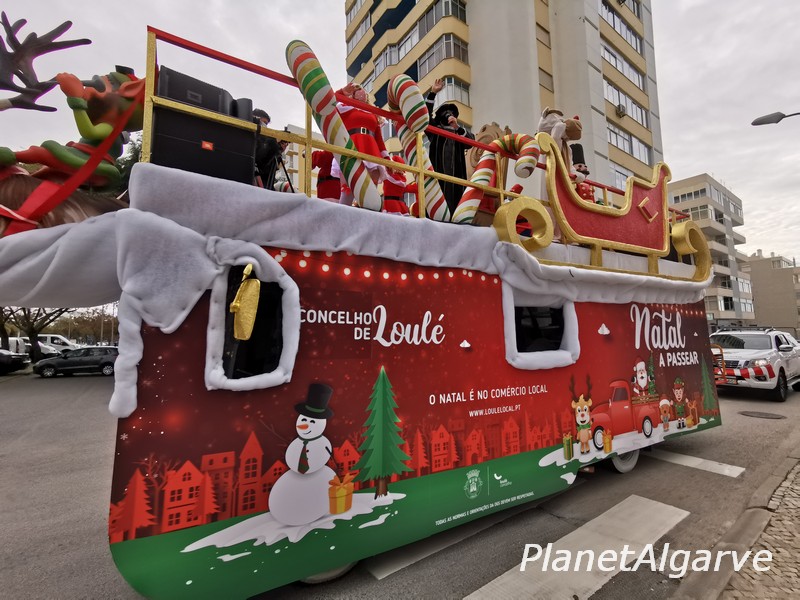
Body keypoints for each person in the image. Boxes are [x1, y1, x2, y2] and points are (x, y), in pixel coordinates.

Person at [425, 78, 475, 217]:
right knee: (436, 209)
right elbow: (424, 117)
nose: (449, 115)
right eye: (446, 113)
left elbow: (471, 142)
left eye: (452, 113)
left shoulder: (458, 133)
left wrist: (457, 127)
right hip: (437, 180)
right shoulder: (435, 131)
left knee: (455, 211)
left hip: (456, 183)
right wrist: (433, 93)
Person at [335, 82, 389, 206]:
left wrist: (387, 159)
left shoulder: (372, 113)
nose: (360, 91)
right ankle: (340, 217)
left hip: (372, 151)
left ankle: (369, 217)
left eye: (361, 89)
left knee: (371, 194)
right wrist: (342, 92)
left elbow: (379, 139)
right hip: (351, 148)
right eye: (355, 90)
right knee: (347, 193)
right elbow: (328, 102)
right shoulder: (344, 107)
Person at [252, 109, 288, 190]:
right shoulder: (251, 137)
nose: (265, 126)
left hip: (265, 185)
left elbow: (268, 167)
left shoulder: (267, 141)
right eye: (264, 122)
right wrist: (274, 141)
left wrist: (279, 149)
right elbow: (259, 161)